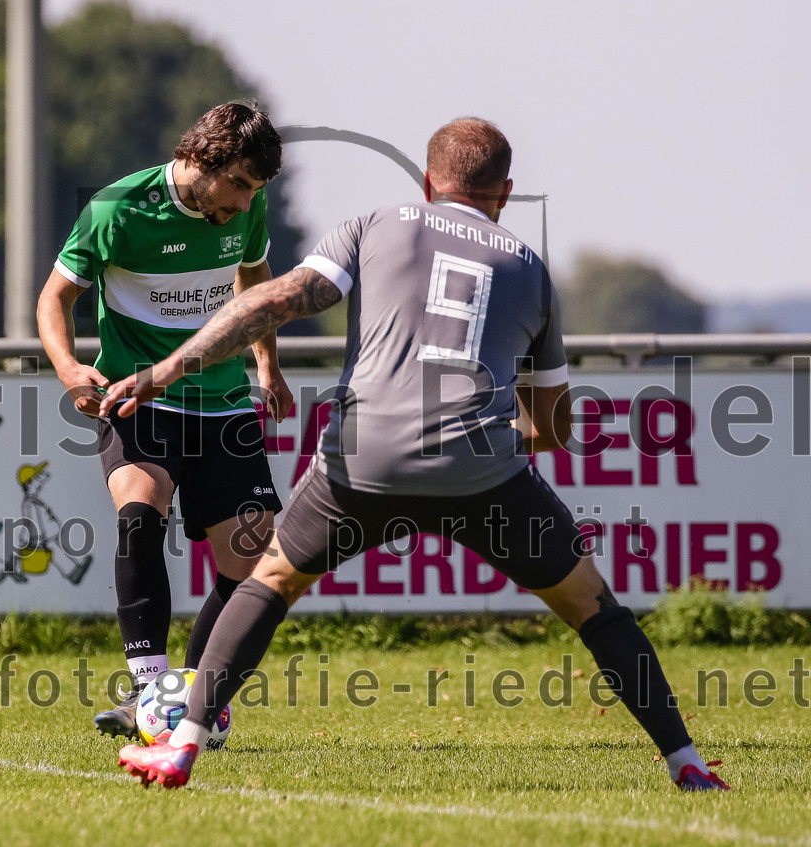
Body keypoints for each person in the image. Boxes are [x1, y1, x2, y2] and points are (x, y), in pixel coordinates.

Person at [101, 117, 731, 792]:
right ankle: (684, 761)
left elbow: (274, 300)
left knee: (270, 582)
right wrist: (477, 435)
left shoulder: (374, 223)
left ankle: (183, 744)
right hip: (483, 472)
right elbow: (553, 427)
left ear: (428, 182)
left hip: (363, 460)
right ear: (506, 191)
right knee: (594, 607)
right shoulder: (528, 267)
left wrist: (164, 370)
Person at [37, 101, 293, 740]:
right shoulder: (116, 208)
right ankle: (150, 688)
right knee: (139, 510)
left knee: (254, 561)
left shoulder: (246, 206)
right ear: (203, 157)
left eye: (254, 191)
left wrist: (267, 364)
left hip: (224, 402)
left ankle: (195, 689)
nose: (242, 202)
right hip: (138, 398)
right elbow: (54, 299)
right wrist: (70, 370)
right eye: (237, 183)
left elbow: (254, 280)